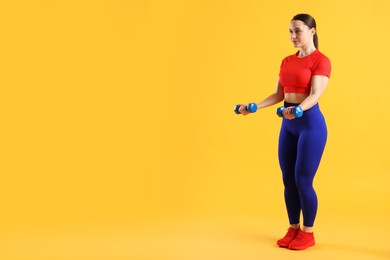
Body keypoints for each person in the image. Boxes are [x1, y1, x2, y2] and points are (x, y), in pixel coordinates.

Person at [238, 14, 331, 250]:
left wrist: (298, 109)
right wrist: (255, 106)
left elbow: (316, 94)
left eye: (297, 31)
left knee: (303, 180)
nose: (292, 36)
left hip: (309, 124)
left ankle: (308, 233)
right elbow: (279, 95)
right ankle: (293, 229)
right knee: (288, 179)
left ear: (312, 31)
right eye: (290, 31)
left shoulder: (321, 60)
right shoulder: (287, 61)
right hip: (288, 124)